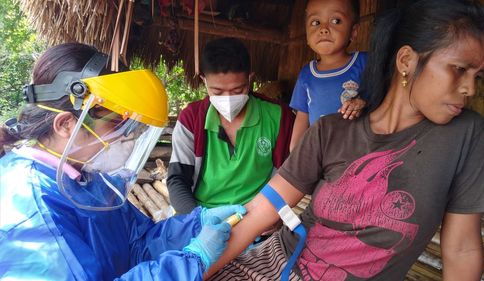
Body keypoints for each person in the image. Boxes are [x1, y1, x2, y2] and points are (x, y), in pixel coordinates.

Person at [206, 0, 484, 280]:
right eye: (460, 69)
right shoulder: (331, 130)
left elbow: (463, 248)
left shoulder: (466, 135)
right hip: (272, 264)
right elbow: (260, 211)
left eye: (479, 76)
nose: (470, 89)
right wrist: (195, 268)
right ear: (407, 60)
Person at [0, 43, 246, 281]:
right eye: (116, 124)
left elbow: (137, 244)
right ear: (66, 125)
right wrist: (192, 260)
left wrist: (196, 224)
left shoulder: (88, 181)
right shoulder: (30, 207)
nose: (125, 137)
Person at [167, 37, 294, 214]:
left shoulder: (279, 117)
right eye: (217, 91)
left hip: (257, 217)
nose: (227, 99)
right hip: (202, 214)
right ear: (204, 81)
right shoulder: (191, 119)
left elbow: (290, 177)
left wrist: (270, 215)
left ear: (250, 79)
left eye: (237, 91)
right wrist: (198, 221)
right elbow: (177, 179)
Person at [289, 0, 367, 150]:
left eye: (336, 21)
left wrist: (363, 101)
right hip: (320, 153)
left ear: (354, 31)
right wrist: (295, 156)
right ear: (306, 34)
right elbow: (302, 118)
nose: (323, 29)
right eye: (315, 22)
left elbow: (385, 95)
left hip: (358, 152)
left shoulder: (364, 62)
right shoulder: (307, 74)